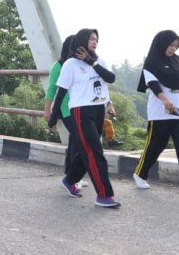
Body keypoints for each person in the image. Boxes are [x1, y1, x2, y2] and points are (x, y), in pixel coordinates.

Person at [48, 28, 121, 208]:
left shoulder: (100, 61)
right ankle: (104, 195)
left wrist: (92, 62)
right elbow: (60, 93)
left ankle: (70, 180)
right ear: (81, 41)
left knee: (85, 150)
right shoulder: (70, 65)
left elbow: (110, 78)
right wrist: (53, 116)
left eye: (96, 39)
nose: (94, 42)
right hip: (80, 111)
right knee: (94, 152)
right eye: (90, 39)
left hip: (98, 110)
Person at [133, 30, 179, 195]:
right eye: (170, 45)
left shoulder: (177, 60)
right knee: (155, 146)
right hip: (161, 113)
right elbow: (153, 84)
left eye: (176, 46)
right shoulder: (152, 62)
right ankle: (140, 174)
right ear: (162, 44)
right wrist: (165, 100)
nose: (173, 49)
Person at [43, 35, 80, 179]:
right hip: (66, 109)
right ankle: (72, 176)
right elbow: (52, 89)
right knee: (78, 139)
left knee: (74, 141)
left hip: (79, 107)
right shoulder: (58, 66)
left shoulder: (80, 64)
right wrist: (47, 110)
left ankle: (69, 174)